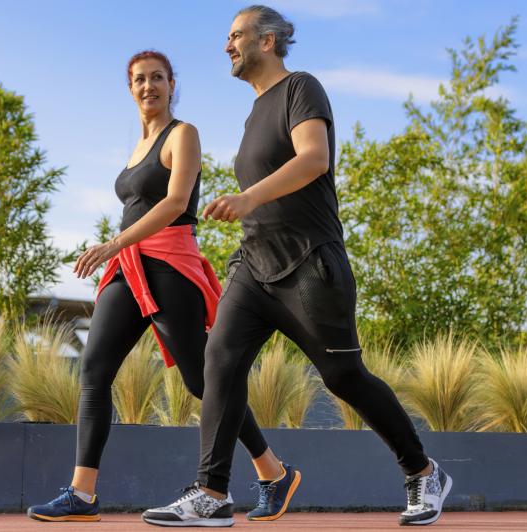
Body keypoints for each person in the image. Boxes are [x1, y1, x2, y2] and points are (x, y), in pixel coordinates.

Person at [142, 6, 452, 528]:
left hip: (310, 265)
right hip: (254, 265)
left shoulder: (300, 88)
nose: (227, 46)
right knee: (218, 360)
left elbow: (314, 159)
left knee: (343, 376)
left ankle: (422, 471)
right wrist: (246, 213)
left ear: (267, 40)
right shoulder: (253, 112)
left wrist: (246, 198)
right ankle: (212, 492)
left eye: (235, 36)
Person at [26, 49, 298, 524]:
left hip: (170, 264)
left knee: (201, 380)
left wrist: (111, 244)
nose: (148, 86)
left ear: (172, 85)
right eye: (139, 80)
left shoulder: (183, 134)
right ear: (129, 88)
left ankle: (272, 471)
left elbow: (174, 203)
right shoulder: (136, 146)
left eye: (157, 78)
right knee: (93, 368)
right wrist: (118, 252)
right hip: (129, 269)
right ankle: (82, 494)